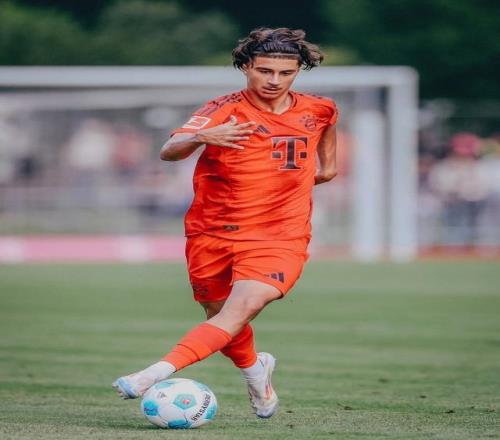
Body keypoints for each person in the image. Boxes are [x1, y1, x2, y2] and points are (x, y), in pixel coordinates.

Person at [113, 27, 339, 419]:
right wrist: (204, 136)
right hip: (212, 231)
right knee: (218, 315)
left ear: (297, 71)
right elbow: (169, 150)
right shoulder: (222, 109)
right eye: (264, 70)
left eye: (285, 73)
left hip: (278, 235)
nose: (274, 80)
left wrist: (307, 179)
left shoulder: (319, 109)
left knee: (240, 309)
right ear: (246, 67)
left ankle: (153, 374)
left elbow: (328, 157)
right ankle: (256, 371)